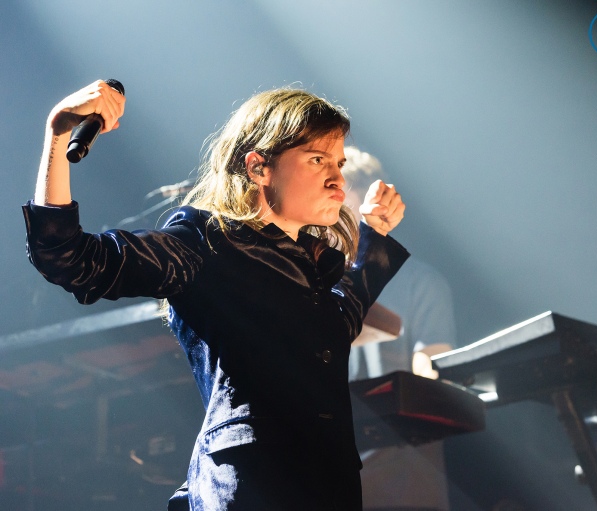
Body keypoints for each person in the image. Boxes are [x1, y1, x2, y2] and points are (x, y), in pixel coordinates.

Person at [23, 80, 409, 510]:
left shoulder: (312, 267)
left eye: (337, 162)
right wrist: (58, 133)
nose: (337, 178)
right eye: (318, 159)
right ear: (259, 167)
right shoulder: (205, 242)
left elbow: (343, 319)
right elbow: (71, 258)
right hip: (249, 486)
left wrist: (375, 235)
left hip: (329, 485)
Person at [342, 147, 456, 511]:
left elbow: (432, 376)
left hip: (401, 469)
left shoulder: (420, 282)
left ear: (367, 195)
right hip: (331, 460)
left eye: (338, 186)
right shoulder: (313, 280)